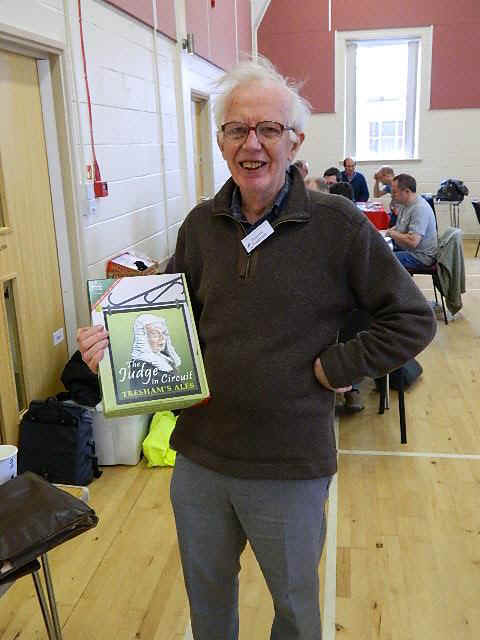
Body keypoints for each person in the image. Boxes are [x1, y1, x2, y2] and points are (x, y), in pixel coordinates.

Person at [77, 58, 436, 640]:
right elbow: (172, 319)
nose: (253, 144)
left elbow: (412, 319)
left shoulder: (338, 225)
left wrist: (337, 366)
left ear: (295, 140)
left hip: (289, 464)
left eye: (269, 129)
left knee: (294, 611)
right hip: (199, 459)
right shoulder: (199, 226)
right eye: (237, 129)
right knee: (208, 604)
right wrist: (113, 349)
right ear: (220, 141)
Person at [386, 173, 438, 269]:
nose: (391, 195)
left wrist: (391, 233)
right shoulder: (404, 204)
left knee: (379, 259)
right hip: (409, 250)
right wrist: (384, 233)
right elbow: (399, 227)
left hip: (420, 257)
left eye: (394, 192)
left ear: (407, 191)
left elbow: (413, 241)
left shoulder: (419, 208)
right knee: (377, 250)